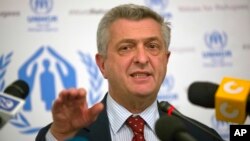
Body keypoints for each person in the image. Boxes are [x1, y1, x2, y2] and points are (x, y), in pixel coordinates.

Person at [36, 3, 223, 141]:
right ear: (102, 65)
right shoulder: (66, 135)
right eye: (126, 47)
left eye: (152, 46)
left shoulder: (201, 136)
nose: (142, 59)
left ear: (165, 60)